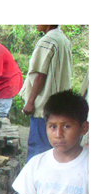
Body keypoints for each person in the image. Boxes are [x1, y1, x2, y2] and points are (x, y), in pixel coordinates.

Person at [20, 25, 73, 161]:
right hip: (59, 103)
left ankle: (34, 179)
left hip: (43, 105)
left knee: (38, 147)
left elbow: (40, 75)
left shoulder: (47, 40)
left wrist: (30, 102)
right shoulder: (62, 39)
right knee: (52, 145)